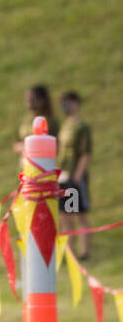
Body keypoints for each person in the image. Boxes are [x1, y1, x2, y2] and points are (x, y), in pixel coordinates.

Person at [57, 90, 92, 260]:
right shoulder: (65, 126)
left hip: (74, 178)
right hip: (63, 177)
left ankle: (84, 251)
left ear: (76, 103)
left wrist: (77, 178)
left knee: (80, 214)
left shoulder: (81, 127)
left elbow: (85, 153)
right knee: (65, 215)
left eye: (67, 102)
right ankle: (69, 251)